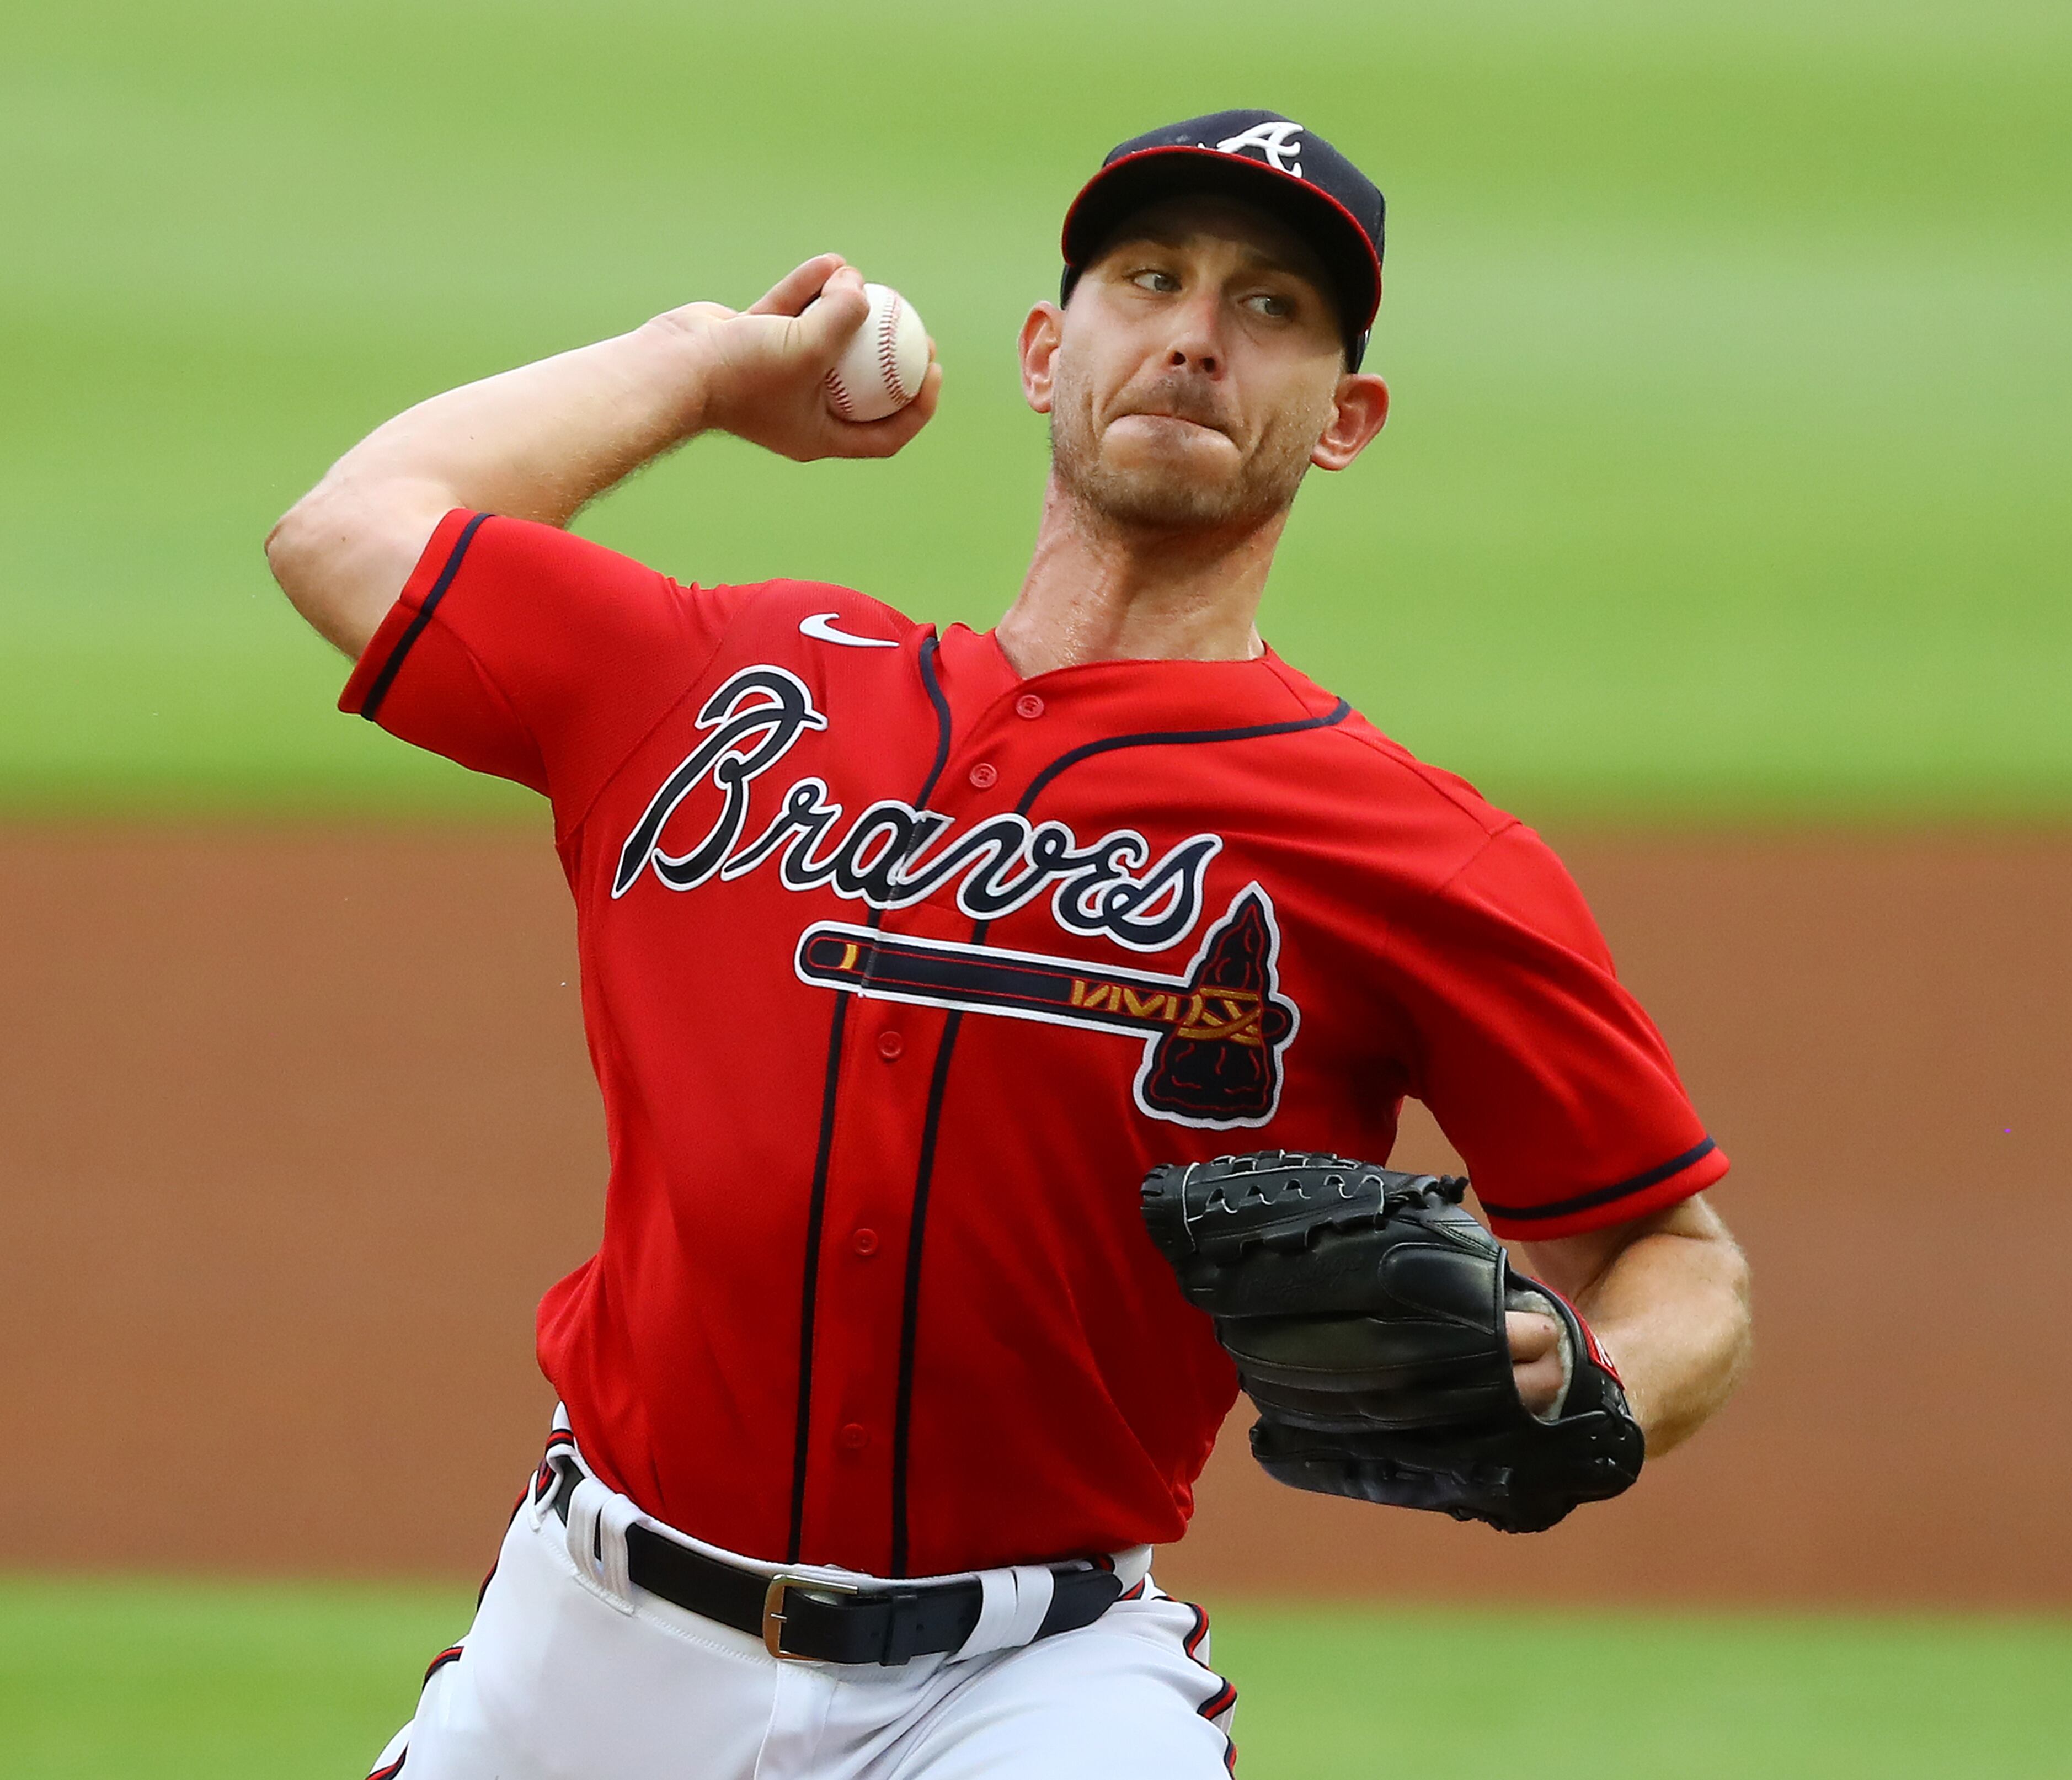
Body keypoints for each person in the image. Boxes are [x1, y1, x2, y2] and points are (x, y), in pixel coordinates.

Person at [267, 110, 1751, 1780]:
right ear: (1048, 350)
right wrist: (697, 363)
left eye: (1271, 307)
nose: (1195, 331)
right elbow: (347, 530)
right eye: (1148, 278)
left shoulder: (1416, 851)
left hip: (1024, 1692)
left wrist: (1589, 1380)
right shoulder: (737, 688)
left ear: (1346, 419)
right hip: (590, 1651)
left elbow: (1678, 1258)